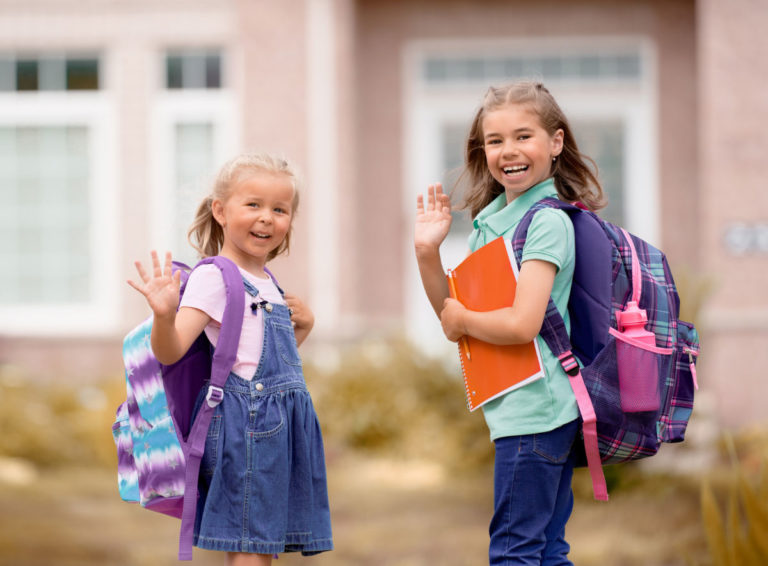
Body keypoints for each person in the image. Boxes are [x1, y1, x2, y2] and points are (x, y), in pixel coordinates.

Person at [414, 81, 605, 565]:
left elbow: (523, 323)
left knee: (514, 552)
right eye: (495, 140)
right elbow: (450, 316)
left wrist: (463, 319)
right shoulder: (494, 220)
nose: (509, 151)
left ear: (555, 143)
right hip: (525, 409)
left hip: (537, 410)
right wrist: (427, 253)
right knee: (544, 550)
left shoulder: (546, 222)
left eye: (524, 136)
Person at [128, 153, 333, 565]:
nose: (266, 218)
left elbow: (264, 362)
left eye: (280, 209)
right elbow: (169, 351)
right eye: (253, 205)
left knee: (263, 547)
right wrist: (164, 316)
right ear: (220, 210)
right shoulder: (213, 277)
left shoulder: (268, 282)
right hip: (247, 429)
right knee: (250, 549)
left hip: (280, 430)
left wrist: (303, 329)